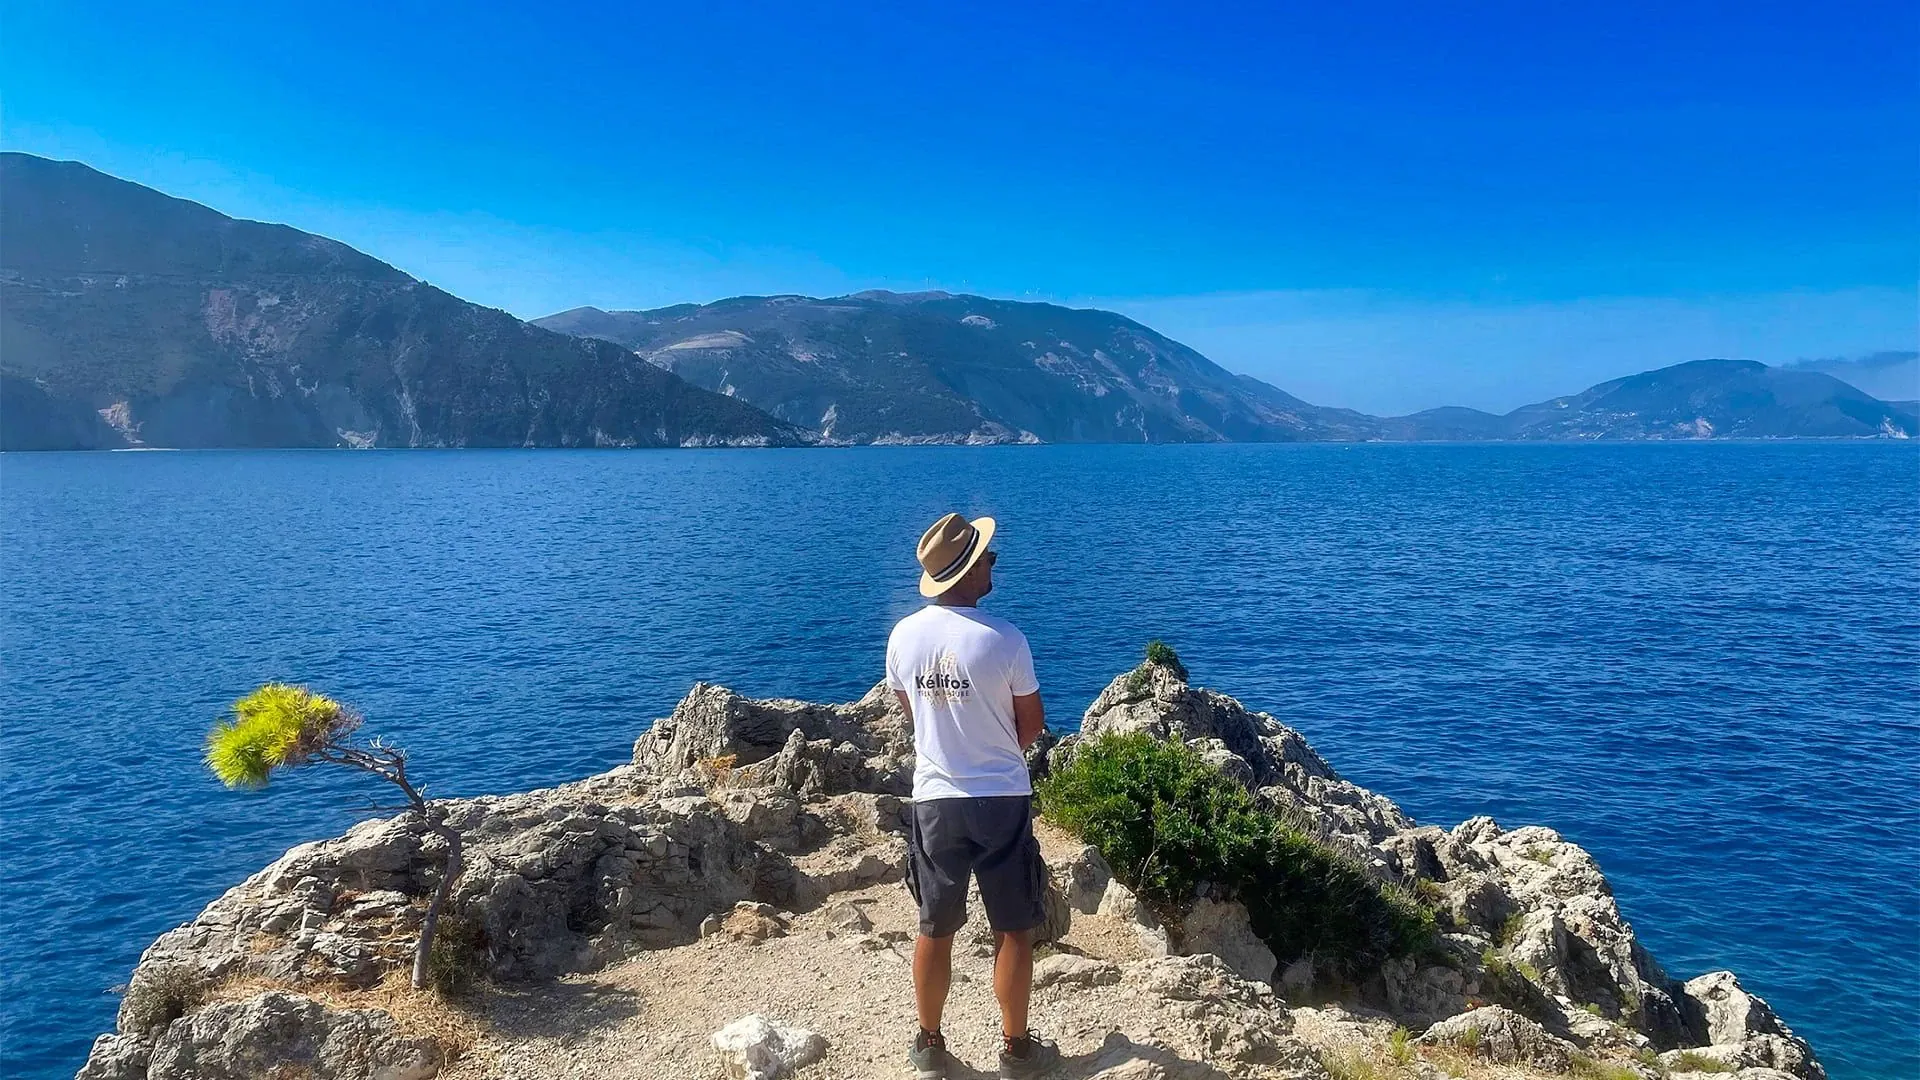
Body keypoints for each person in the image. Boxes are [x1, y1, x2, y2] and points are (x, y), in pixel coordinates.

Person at [887, 512, 1059, 1079]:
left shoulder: (904, 637)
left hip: (935, 799)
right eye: (986, 557)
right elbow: (1030, 726)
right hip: (1002, 798)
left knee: (935, 925)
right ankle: (1016, 1051)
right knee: (1014, 927)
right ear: (965, 572)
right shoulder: (1005, 639)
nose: (993, 563)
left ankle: (929, 1044)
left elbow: (914, 716)